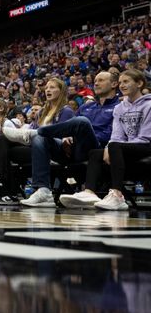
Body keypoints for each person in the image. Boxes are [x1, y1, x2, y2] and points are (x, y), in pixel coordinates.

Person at [60, 69, 151, 211]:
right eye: (120, 82)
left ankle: (117, 195)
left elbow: (145, 137)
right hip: (128, 147)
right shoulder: (119, 108)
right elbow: (117, 135)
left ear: (139, 83)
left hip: (146, 145)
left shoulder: (149, 105)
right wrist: (109, 146)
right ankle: (89, 193)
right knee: (96, 153)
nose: (122, 85)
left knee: (115, 146)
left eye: (126, 81)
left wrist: (114, 147)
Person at [0, 77, 76, 206]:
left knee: (38, 137)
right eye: (47, 87)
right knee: (4, 141)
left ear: (62, 91)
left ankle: (43, 191)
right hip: (36, 148)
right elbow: (33, 132)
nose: (48, 90)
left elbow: (64, 137)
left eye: (52, 87)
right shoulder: (42, 112)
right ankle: (3, 187)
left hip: (55, 151)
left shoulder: (66, 111)